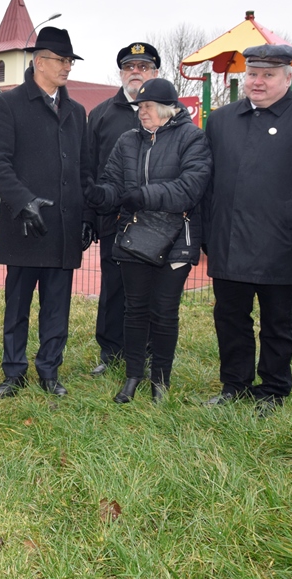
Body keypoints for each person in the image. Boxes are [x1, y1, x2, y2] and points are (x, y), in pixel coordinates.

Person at [202, 44, 292, 413]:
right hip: (228, 244)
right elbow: (207, 182)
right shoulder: (219, 120)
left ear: (287, 78)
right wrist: (206, 235)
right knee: (230, 319)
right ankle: (235, 384)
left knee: (277, 323)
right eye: (252, 74)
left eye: (268, 75)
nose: (258, 82)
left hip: (283, 245)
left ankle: (274, 389)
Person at [0, 27, 93, 398]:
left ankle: (49, 369)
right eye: (62, 61)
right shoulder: (8, 104)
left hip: (63, 226)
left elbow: (85, 170)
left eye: (70, 62)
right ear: (40, 61)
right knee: (17, 305)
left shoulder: (77, 112)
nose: (67, 68)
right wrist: (23, 200)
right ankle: (13, 371)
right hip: (25, 225)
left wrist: (87, 217)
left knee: (57, 306)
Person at [86, 78, 212, 403]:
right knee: (135, 309)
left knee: (164, 310)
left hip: (177, 237)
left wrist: (143, 195)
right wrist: (99, 195)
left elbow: (190, 187)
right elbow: (113, 183)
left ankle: (160, 381)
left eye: (148, 107)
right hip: (136, 236)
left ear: (168, 109)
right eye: (139, 107)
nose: (142, 113)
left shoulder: (192, 138)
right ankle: (132, 376)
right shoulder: (128, 141)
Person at [84, 42, 161, 377]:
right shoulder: (101, 114)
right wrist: (89, 218)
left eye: (143, 67)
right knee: (114, 288)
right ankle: (111, 351)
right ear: (121, 73)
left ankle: (146, 352)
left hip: (158, 221)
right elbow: (88, 170)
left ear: (155, 72)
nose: (136, 72)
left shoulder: (169, 112)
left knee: (152, 291)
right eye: (130, 67)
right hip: (114, 219)